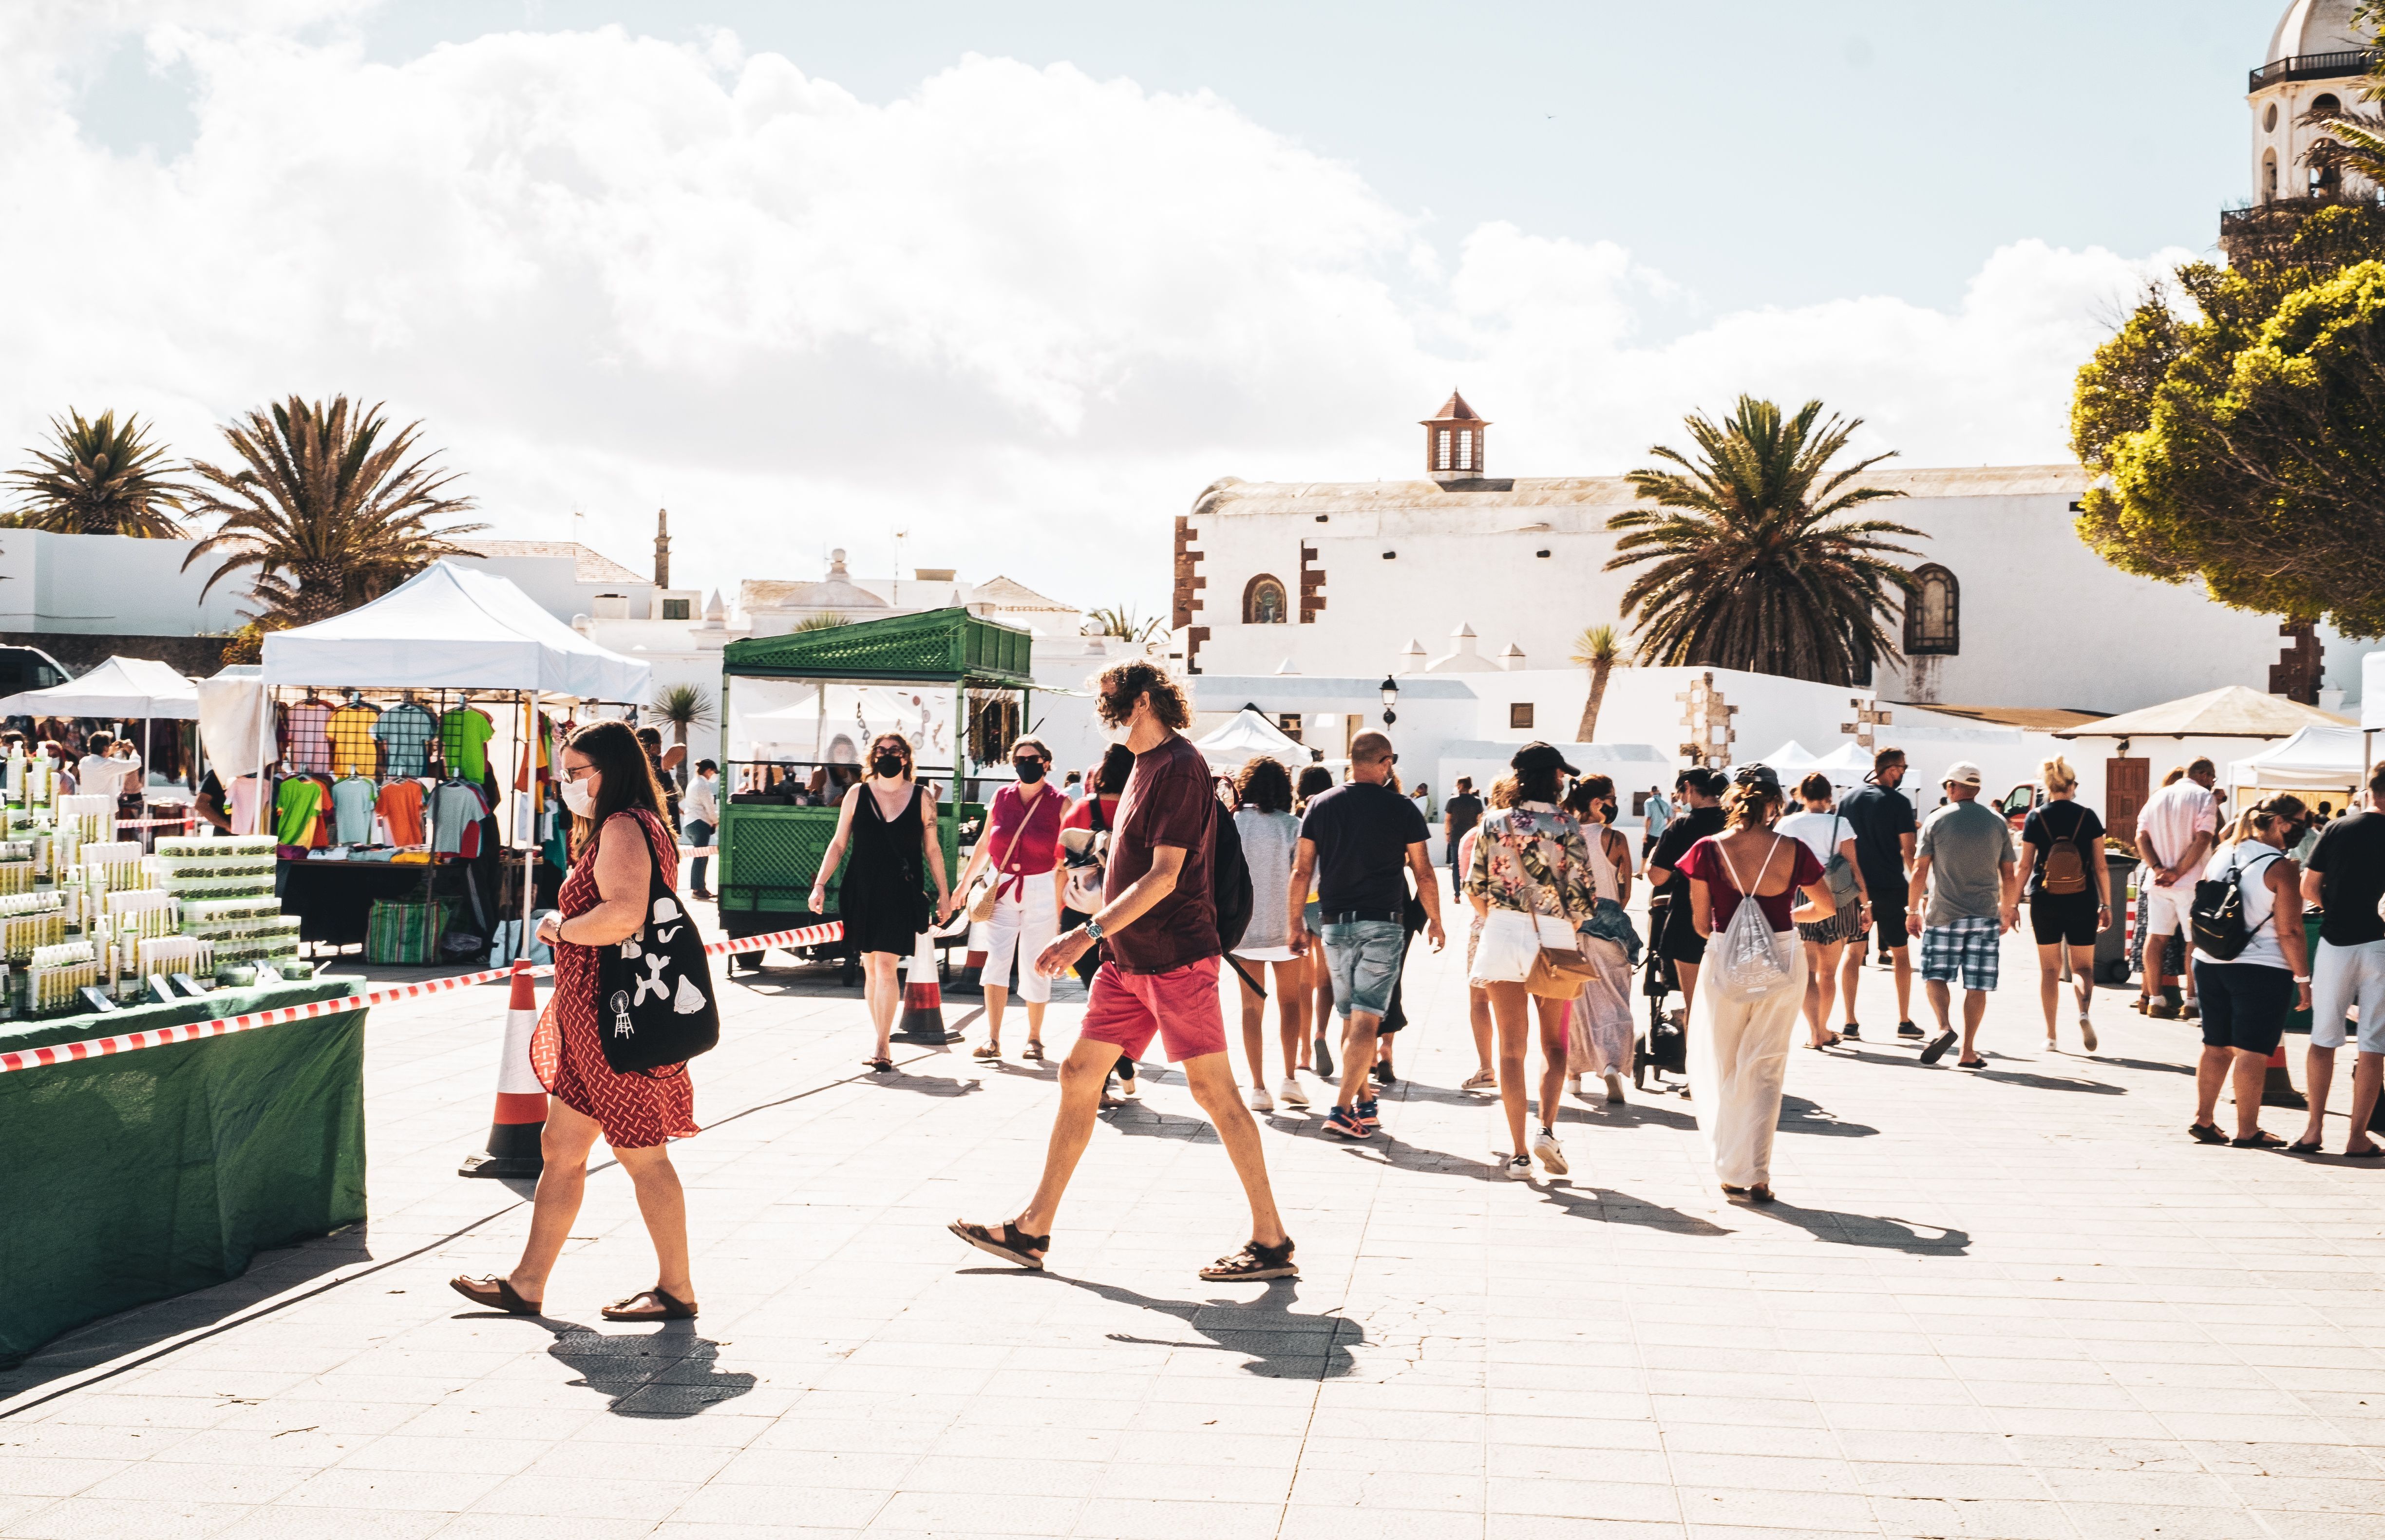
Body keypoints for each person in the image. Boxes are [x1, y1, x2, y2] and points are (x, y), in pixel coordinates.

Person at [950, 660, 1296, 1281]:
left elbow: (1165, 874)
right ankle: (1033, 1229)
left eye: (1107, 697)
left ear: (1141, 702)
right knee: (1080, 1073)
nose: (1100, 708)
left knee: (1213, 1093)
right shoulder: (1142, 765)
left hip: (1175, 959)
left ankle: (1271, 1241)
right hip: (1129, 960)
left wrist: (1086, 933)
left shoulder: (1182, 767)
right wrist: (1105, 939)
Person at [450, 720, 701, 1322]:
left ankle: (677, 1289)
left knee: (643, 1154)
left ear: (609, 770)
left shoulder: (622, 827)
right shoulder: (631, 825)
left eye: (576, 772)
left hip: (615, 1020)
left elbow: (622, 916)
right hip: (596, 1020)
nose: (567, 783)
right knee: (560, 1147)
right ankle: (527, 1281)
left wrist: (560, 930)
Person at [1678, 764, 1834, 1203]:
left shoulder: (1708, 850)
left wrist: (1740, 931)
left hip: (1726, 958)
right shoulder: (1793, 849)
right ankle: (1759, 1173)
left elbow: (1700, 925)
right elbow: (1824, 906)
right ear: (1774, 804)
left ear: (1733, 801)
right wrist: (1781, 921)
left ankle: (1731, 1167)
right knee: (1766, 1067)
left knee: (1726, 1063)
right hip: (1783, 958)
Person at [1288, 732, 1444, 1141]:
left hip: (1335, 924)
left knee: (1354, 1017)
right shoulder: (1402, 808)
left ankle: (1366, 1105)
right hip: (1383, 923)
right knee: (1366, 1021)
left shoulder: (1320, 805)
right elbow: (1423, 871)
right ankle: (1342, 1110)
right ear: (1385, 762)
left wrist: (1293, 925)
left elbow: (1301, 871)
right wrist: (1437, 920)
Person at [1466, 742, 1600, 1180]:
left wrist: (1503, 922)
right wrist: (1565, 928)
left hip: (1504, 931)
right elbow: (1585, 897)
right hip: (1555, 933)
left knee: (1510, 1049)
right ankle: (1547, 1129)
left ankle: (1519, 1153)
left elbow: (1474, 887)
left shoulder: (1493, 822)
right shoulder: (1568, 826)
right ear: (1554, 778)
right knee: (1555, 1044)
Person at [809, 732, 949, 1073]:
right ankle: (880, 1034)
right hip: (861, 889)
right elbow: (839, 842)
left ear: (906, 758)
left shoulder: (922, 797)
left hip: (900, 891)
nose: (888, 755)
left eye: (895, 751)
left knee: (886, 967)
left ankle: (882, 1045)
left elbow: (932, 848)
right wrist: (820, 884)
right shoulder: (857, 794)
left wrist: (945, 893)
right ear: (873, 757)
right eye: (882, 751)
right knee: (871, 969)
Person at [2190, 794, 2311, 1148]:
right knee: (2253, 1051)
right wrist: (2304, 979)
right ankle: (2247, 1129)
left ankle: (2204, 1118)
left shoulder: (2223, 852)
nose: (2302, 830)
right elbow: (2290, 930)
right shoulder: (2282, 867)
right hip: (2261, 969)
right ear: (2280, 823)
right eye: (2300, 822)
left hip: (2209, 961)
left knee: (2216, 1046)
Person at [951, 736, 1067, 1063]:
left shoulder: (1060, 802)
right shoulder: (1001, 797)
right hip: (1002, 888)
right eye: (1020, 758)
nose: (1026, 764)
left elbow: (1064, 861)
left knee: (1036, 963)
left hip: (1041, 887)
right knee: (997, 961)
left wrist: (1058, 904)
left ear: (1046, 762)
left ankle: (1034, 1038)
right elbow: (986, 843)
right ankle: (993, 1038)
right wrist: (964, 884)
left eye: (1033, 759)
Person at [2295, 765, 2385, 1155]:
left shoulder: (2336, 829)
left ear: (2370, 791)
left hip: (2335, 940)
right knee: (2373, 1044)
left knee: (2324, 1038)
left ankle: (2314, 1129)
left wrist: (2334, 908)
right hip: (2380, 944)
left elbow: (2308, 886)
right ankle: (2357, 1136)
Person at [1907, 761, 2019, 1069]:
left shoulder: (1936, 820)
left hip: (1944, 914)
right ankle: (1968, 1051)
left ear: (1953, 787)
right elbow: (2009, 875)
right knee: (1977, 985)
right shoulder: (1997, 823)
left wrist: (1913, 910)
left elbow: (1919, 870)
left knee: (1934, 975)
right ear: (1977, 789)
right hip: (1985, 917)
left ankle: (1944, 1027)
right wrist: (2008, 911)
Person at [1228, 756, 1310, 1111]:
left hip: (1242, 930)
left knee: (1250, 1007)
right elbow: (1310, 877)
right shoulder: (1293, 825)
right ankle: (1290, 1077)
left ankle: (1259, 1087)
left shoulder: (1233, 824)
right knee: (1290, 1003)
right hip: (1286, 928)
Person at [1063, 744, 1139, 1102]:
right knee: (1115, 998)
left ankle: (1113, 1072)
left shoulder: (1081, 809)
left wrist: (1057, 924)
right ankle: (1120, 1064)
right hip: (1124, 916)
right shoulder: (1139, 810)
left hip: (1079, 916)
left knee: (1096, 999)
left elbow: (1058, 869)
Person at [2020, 756, 2110, 1053]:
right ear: (2072, 786)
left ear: (2048, 786)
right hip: (2082, 899)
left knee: (2049, 970)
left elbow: (2024, 866)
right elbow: (2101, 866)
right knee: (2083, 967)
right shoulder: (2089, 817)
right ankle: (2083, 1013)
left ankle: (2051, 1036)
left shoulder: (2035, 818)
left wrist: (2008, 904)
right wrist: (2107, 904)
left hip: (2045, 899)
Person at [1775, 773, 1868, 1050]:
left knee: (1807, 970)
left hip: (1801, 896)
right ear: (1829, 797)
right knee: (1828, 973)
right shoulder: (1841, 823)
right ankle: (1825, 1028)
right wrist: (1867, 905)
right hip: (1838, 898)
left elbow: (1778, 867)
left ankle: (1815, 1031)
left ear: (1801, 795)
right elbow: (1854, 867)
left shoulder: (1787, 824)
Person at [1560, 774, 1637, 1103]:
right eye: (1612, 797)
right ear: (1597, 802)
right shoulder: (1615, 839)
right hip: (1610, 927)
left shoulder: (1563, 834)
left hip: (1570, 928)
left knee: (1574, 1001)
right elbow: (1626, 892)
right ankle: (1610, 1065)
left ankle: (1573, 1073)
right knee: (1615, 997)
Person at [1837, 749, 1921, 1041]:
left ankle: (1849, 1021)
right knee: (1900, 953)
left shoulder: (1847, 799)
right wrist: (1918, 893)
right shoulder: (1899, 803)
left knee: (1853, 951)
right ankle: (1904, 1020)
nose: (1903, 774)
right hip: (1890, 886)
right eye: (1903, 769)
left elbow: (1839, 843)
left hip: (1854, 886)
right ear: (1892, 770)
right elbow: (1909, 852)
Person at [2137, 757, 2221, 1020]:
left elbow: (2141, 837)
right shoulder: (2204, 798)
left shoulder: (2158, 797)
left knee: (2156, 937)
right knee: (2192, 941)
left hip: (2159, 881)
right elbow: (2204, 837)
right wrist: (2179, 871)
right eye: (2213, 777)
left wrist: (2158, 868)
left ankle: (2156, 999)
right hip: (2192, 880)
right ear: (2205, 775)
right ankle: (2191, 1001)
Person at [1646, 767, 1727, 1009]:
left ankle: (1693, 1047)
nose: (1681, 798)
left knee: (1695, 1004)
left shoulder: (1682, 827)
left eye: (1682, 791)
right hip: (1731, 916)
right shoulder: (1735, 824)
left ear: (1690, 787)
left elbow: (1657, 878)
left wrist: (1653, 856)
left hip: (1688, 917)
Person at [1294, 763, 1340, 1077]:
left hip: (1301, 902)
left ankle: (1303, 1053)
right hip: (1327, 903)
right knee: (1325, 980)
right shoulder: (1333, 815)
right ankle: (1321, 1034)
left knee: (1302, 982)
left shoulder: (1297, 817)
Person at [1453, 820, 1498, 1093]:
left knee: (1480, 999)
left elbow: (1471, 887)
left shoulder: (1474, 836)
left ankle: (1487, 1067)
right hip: (1536, 928)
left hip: (1487, 925)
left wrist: (1489, 919)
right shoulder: (1549, 825)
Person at [681, 758, 720, 900]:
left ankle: (699, 887)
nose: (714, 775)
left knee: (700, 856)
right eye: (714, 772)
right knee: (701, 857)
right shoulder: (702, 785)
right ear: (709, 771)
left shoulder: (694, 783)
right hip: (700, 823)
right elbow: (709, 807)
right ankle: (698, 889)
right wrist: (716, 821)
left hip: (690, 823)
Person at [1443, 777, 1484, 897]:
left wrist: (1447, 834)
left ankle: (1457, 894)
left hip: (1456, 837)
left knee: (1456, 866)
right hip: (1472, 838)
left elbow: (1448, 820)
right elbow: (1480, 820)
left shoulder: (1453, 801)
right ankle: (1471, 893)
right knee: (1472, 865)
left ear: (1460, 786)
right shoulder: (1477, 801)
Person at [1642, 783, 1673, 861]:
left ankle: (1642, 872)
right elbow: (1670, 820)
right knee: (1658, 857)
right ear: (1659, 792)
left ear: (1651, 792)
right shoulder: (1667, 803)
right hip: (1662, 834)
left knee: (1645, 855)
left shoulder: (1648, 802)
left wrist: (1646, 834)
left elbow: (1649, 819)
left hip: (1651, 833)